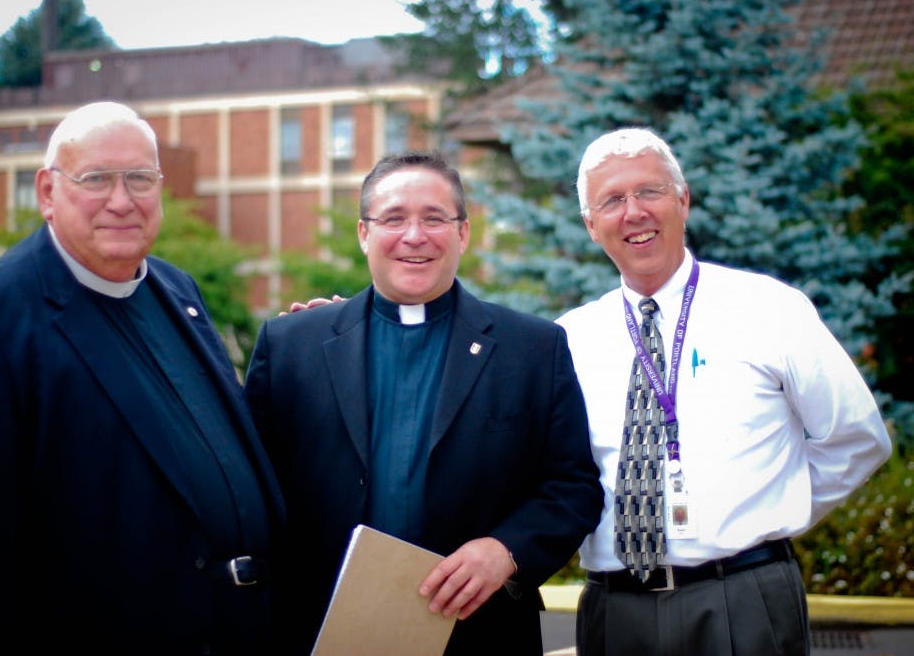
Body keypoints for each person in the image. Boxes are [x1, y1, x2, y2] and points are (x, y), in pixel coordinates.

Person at [0, 101, 286, 655]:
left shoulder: (175, 288)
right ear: (47, 192)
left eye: (140, 178)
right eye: (96, 179)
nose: (121, 200)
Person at [244, 150, 603, 655]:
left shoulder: (533, 348)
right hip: (321, 630)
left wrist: (507, 550)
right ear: (364, 233)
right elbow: (247, 488)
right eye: (393, 219)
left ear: (463, 234)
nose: (414, 236)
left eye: (434, 218)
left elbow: (573, 485)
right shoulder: (291, 346)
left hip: (479, 631)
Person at [557, 127, 892, 656]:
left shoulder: (769, 308)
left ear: (683, 200)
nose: (634, 212)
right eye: (612, 200)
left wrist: (771, 510)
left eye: (650, 191)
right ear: (591, 225)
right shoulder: (569, 339)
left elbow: (856, 439)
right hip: (615, 613)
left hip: (743, 599)